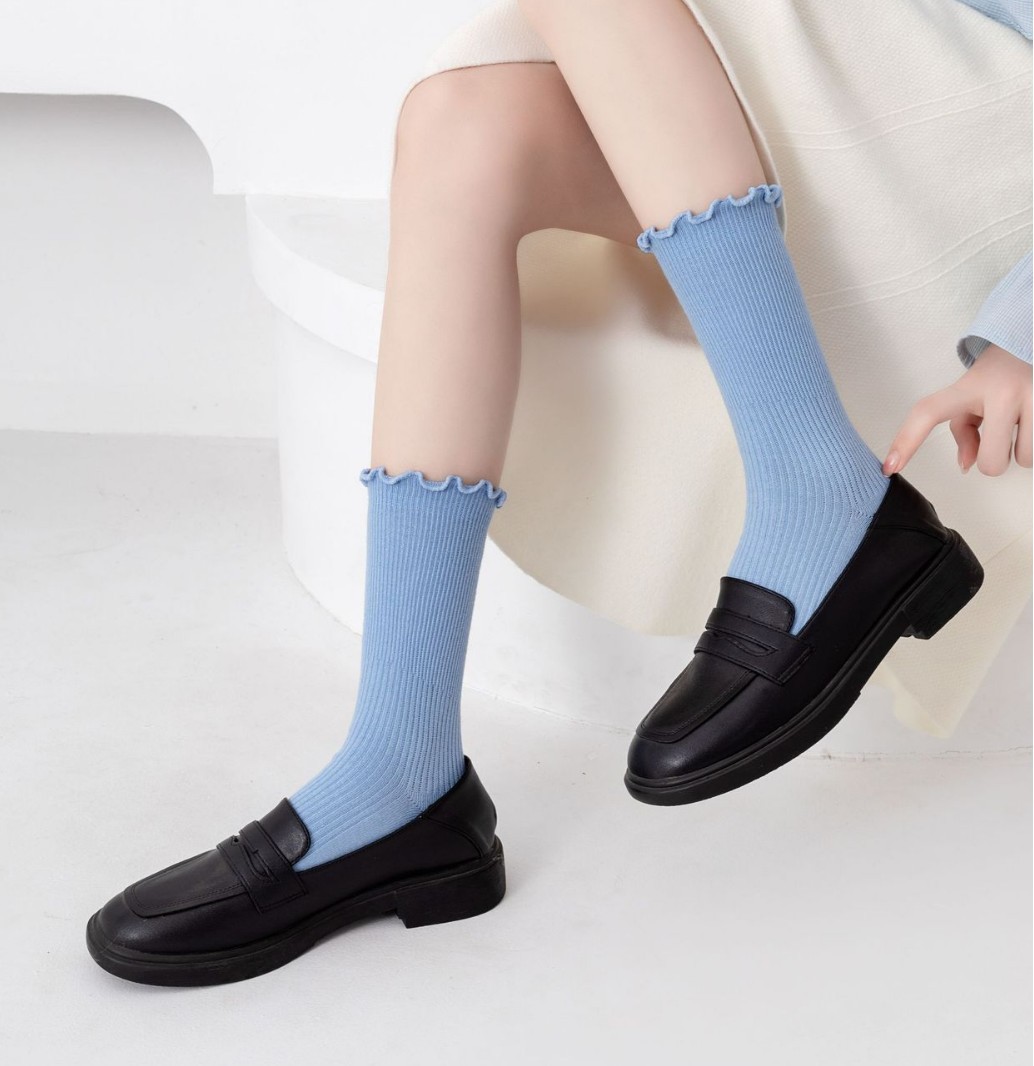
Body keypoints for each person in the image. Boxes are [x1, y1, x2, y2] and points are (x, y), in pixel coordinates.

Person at [85, 0, 1032, 984]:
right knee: (462, 129)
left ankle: (813, 484)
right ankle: (399, 766)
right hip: (808, 89)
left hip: (967, 125)